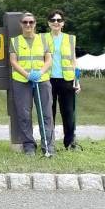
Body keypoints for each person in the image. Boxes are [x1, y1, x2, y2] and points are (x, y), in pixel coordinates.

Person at [9, 12, 55, 157]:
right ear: (21, 24)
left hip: (42, 81)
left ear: (35, 23)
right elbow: (13, 61)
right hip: (22, 81)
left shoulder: (44, 39)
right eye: (25, 22)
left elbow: (48, 60)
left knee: (46, 114)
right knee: (24, 114)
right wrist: (27, 75)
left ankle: (48, 146)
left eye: (31, 22)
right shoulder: (15, 41)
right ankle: (29, 145)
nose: (28, 25)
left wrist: (40, 73)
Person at [44, 9, 80, 150]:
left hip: (67, 79)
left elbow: (73, 60)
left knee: (68, 113)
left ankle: (70, 142)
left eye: (59, 20)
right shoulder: (42, 38)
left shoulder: (70, 38)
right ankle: (49, 142)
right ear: (49, 23)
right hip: (48, 79)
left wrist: (77, 80)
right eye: (53, 20)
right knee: (49, 112)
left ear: (63, 23)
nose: (56, 22)